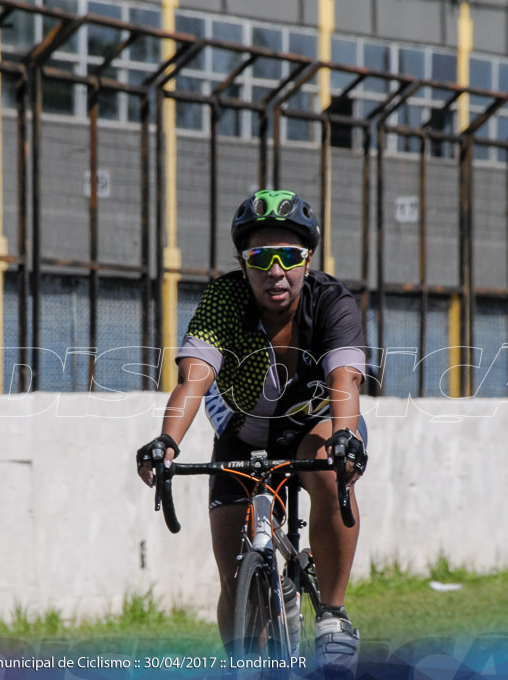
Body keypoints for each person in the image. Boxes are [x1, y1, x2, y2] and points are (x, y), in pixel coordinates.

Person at [136, 190, 369, 676]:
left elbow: (345, 379)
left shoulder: (331, 301)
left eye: (289, 257)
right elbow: (193, 378)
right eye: (261, 258)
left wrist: (347, 438)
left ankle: (332, 615)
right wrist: (167, 441)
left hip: (318, 422)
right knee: (233, 572)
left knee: (329, 470)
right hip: (243, 434)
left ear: (307, 261)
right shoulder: (225, 298)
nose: (275, 271)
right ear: (244, 263)